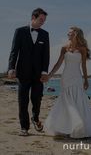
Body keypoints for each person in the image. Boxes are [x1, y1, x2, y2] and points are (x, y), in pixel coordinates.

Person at [44, 26, 91, 138]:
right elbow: (58, 64)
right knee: (66, 101)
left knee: (78, 99)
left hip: (77, 77)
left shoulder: (82, 49)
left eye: (70, 33)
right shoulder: (64, 48)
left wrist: (86, 80)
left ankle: (80, 127)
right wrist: (49, 75)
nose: (67, 34)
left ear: (75, 34)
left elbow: (84, 66)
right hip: (66, 77)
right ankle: (67, 127)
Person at [8, 8, 50, 136]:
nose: (43, 22)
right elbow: (14, 51)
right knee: (23, 100)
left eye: (44, 20)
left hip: (38, 74)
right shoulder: (20, 31)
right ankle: (24, 127)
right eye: (41, 19)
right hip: (23, 72)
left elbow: (45, 55)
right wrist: (11, 68)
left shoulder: (45, 34)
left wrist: (44, 71)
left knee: (37, 99)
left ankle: (35, 118)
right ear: (33, 17)